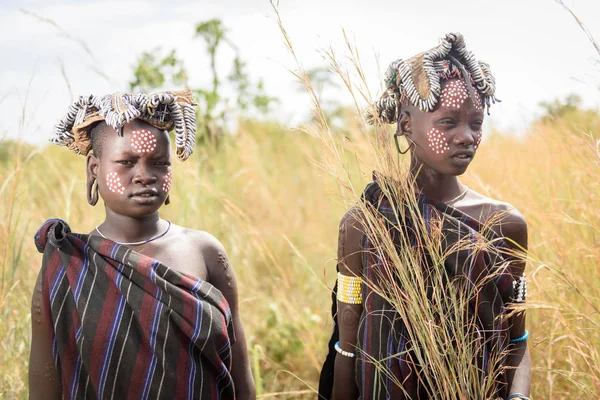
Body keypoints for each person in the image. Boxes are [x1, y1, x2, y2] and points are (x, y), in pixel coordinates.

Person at [318, 33, 531, 399]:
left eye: (476, 123)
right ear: (404, 124)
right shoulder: (365, 223)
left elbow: (518, 342)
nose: (466, 136)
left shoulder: (505, 224)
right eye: (447, 122)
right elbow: (348, 348)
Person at [29, 90, 255, 399]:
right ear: (94, 168)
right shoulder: (67, 264)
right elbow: (44, 376)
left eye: (159, 163)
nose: (144, 175)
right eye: (126, 162)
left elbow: (239, 369)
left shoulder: (204, 251)